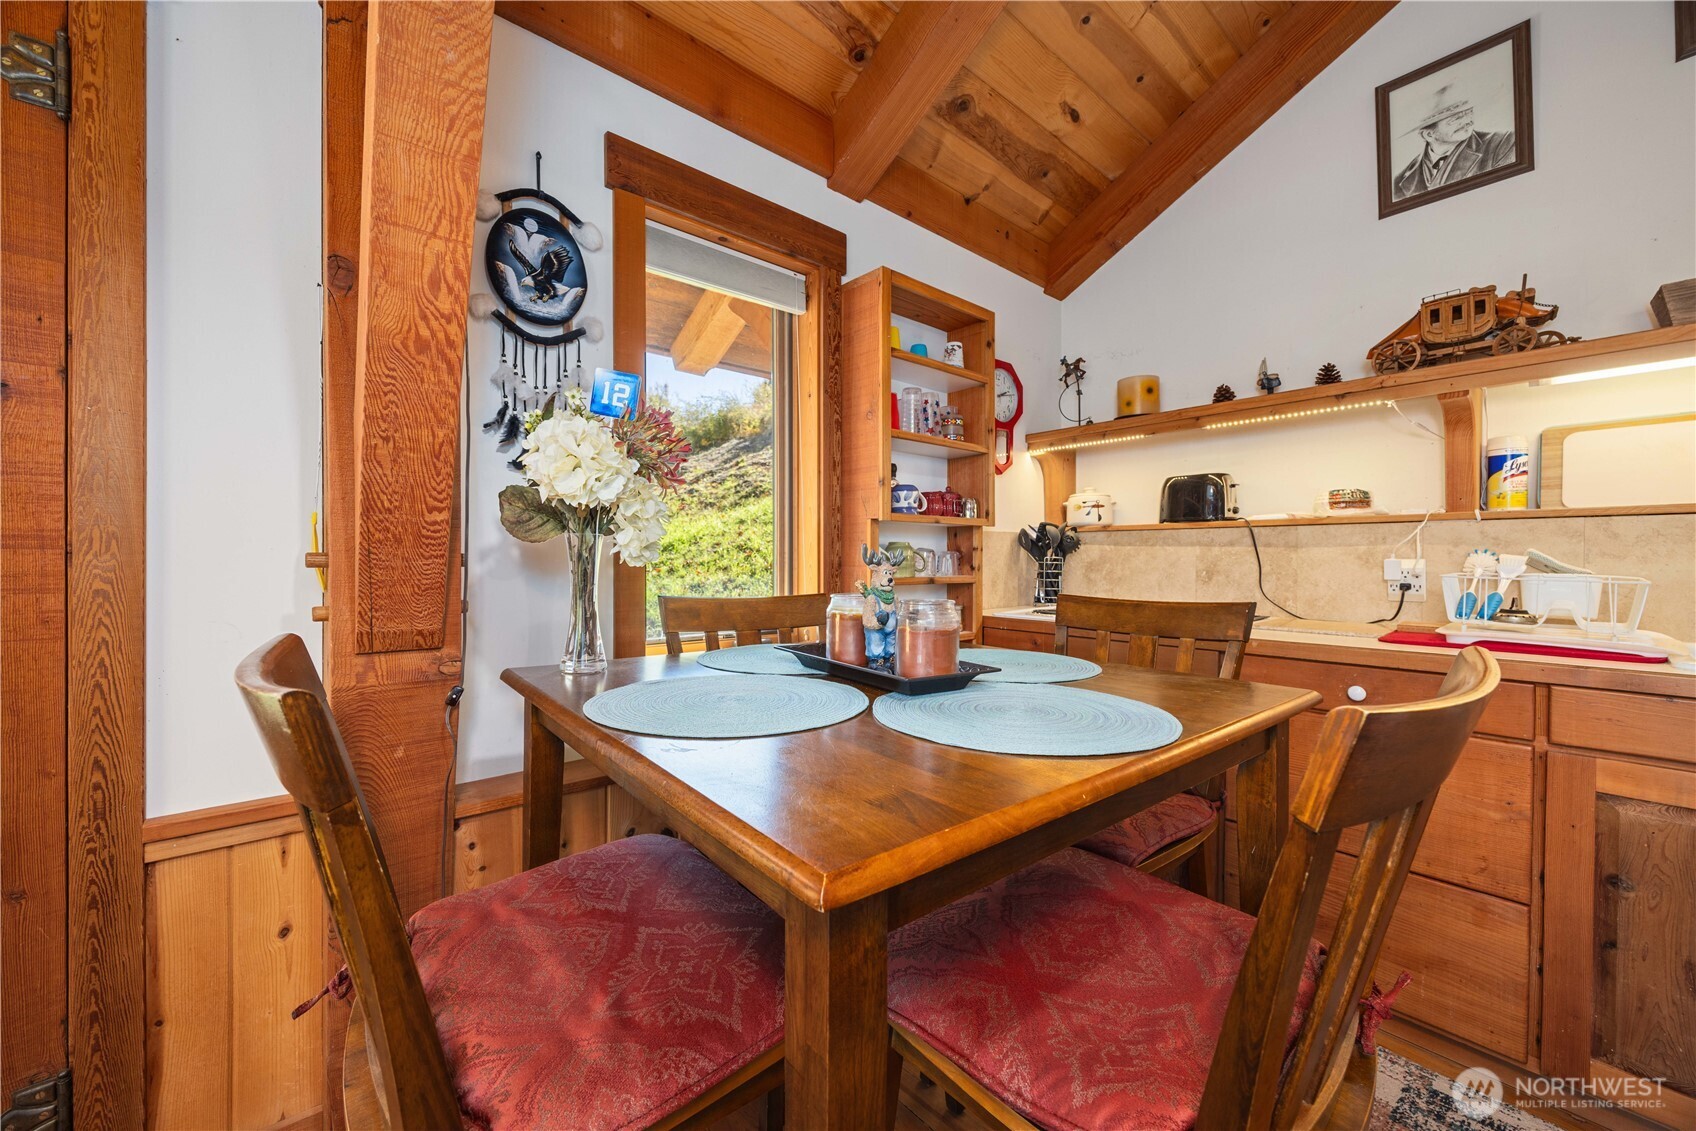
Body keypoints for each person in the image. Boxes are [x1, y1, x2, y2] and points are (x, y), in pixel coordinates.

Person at [1392, 83, 1516, 201]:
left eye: (1469, 112)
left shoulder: (1504, 144)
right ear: (1429, 134)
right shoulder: (1400, 180)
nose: (1468, 121)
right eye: (1456, 118)